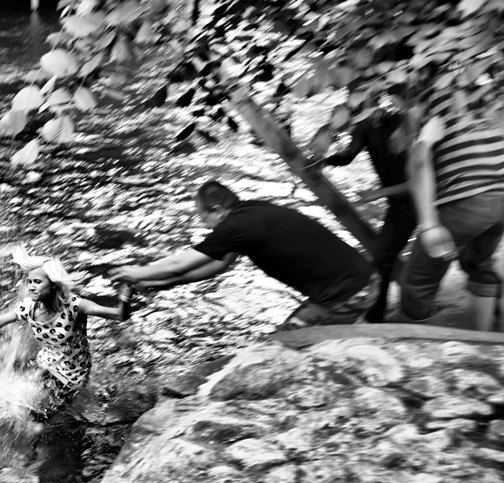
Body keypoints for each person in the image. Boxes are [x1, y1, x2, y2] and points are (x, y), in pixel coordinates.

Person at [111, 180, 377, 330]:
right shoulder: (252, 212)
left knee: (284, 347)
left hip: (349, 294)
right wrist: (158, 283)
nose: (204, 225)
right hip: (358, 282)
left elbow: (180, 263)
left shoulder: (235, 226)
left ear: (217, 210)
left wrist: (134, 273)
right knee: (284, 340)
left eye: (203, 217)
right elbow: (217, 266)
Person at [0, 245, 132, 414]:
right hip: (46, 362)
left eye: (37, 282)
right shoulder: (30, 307)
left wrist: (125, 296)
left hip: (72, 375)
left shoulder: (76, 306)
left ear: (53, 284)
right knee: (7, 385)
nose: (31, 287)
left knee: (37, 415)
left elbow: (119, 315)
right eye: (29, 282)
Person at [398, 88, 504, 330]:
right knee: (479, 263)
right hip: (501, 196)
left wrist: (429, 224)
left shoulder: (428, 99)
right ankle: (485, 340)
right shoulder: (489, 90)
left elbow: (419, 162)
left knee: (417, 279)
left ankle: (415, 343)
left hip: (468, 199)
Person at [323, 106, 417, 322]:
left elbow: (414, 184)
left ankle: (376, 315)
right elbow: (347, 156)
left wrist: (376, 193)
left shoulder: (377, 126)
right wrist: (325, 161)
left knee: (383, 261)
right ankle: (378, 313)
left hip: (409, 202)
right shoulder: (377, 124)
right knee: (385, 259)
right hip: (404, 203)